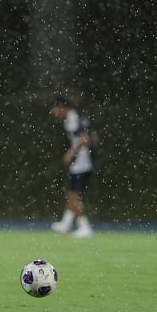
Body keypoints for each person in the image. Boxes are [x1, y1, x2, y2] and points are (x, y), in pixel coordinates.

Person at [49, 96, 96, 238]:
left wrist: (71, 153)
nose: (54, 112)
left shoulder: (72, 119)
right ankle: (66, 223)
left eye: (55, 109)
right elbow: (93, 137)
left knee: (74, 196)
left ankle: (85, 227)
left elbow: (84, 138)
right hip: (83, 161)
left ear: (62, 107)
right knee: (71, 192)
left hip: (82, 163)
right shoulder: (79, 117)